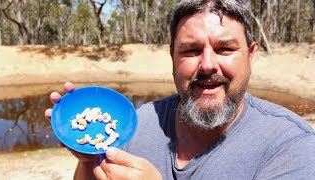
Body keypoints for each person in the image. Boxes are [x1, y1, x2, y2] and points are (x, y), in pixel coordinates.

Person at [45, 0, 315, 179]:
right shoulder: (141, 121)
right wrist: (86, 160)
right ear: (172, 56)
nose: (208, 65)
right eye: (191, 51)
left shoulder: (291, 146)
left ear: (251, 55)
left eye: (225, 49)